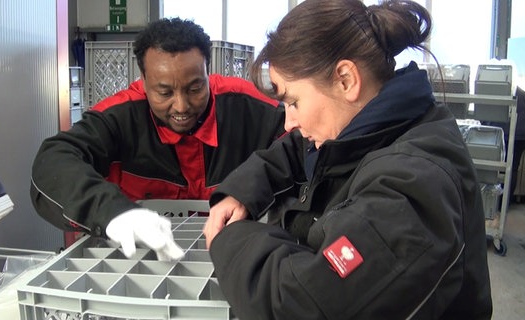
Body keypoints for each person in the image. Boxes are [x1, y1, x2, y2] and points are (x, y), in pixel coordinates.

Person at [203, 0, 493, 319]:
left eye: (294, 102)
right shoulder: (372, 128)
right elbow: (297, 152)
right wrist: (242, 193)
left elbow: (300, 304)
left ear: (345, 80)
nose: (288, 124)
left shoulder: (414, 188)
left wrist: (231, 238)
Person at [30, 17, 286, 261]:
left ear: (208, 72)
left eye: (195, 88)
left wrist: (251, 188)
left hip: (237, 257)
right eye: (164, 92)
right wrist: (112, 212)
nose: (182, 106)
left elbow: (303, 146)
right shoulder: (118, 117)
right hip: (138, 262)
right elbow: (54, 159)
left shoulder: (249, 107)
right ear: (143, 82)